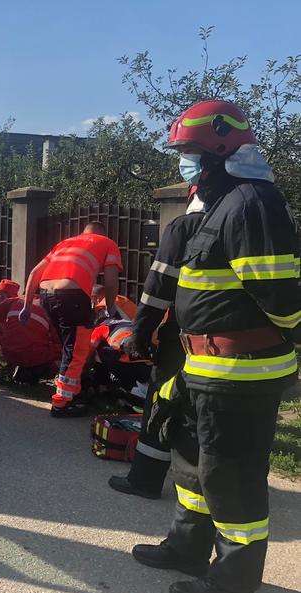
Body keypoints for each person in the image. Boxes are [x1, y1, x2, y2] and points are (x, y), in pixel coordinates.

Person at [130, 100, 301, 593]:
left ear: (218, 152)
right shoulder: (220, 204)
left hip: (241, 372)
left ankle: (233, 584)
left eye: (189, 153)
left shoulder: (252, 203)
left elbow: (281, 297)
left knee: (232, 476)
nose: (184, 162)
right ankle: (188, 549)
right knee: (192, 464)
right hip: (203, 366)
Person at [108, 189, 206, 500]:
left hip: (184, 337)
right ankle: (209, 486)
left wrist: (140, 335)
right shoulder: (263, 221)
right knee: (207, 414)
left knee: (161, 402)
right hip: (240, 347)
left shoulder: (186, 226)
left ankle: (145, 480)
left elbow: (158, 290)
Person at [20, 222, 123, 417]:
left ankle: (73, 391)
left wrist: (27, 305)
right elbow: (111, 282)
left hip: (46, 295)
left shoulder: (65, 243)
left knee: (70, 347)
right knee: (77, 350)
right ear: (103, 233)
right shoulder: (108, 243)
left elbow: (34, 273)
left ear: (84, 232)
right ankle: (62, 403)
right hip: (72, 296)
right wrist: (110, 307)